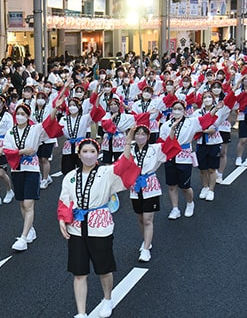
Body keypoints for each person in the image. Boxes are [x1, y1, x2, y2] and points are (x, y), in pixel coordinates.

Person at [57, 138, 139, 318]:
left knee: (104, 268)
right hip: (76, 228)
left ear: (98, 154)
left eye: (92, 151)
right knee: (79, 272)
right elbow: (65, 201)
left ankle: (107, 298)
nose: (88, 155)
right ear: (78, 154)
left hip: (100, 226)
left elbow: (124, 165)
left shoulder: (106, 171)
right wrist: (63, 220)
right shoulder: (70, 176)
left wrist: (127, 143)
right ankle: (81, 312)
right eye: (84, 151)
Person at [3, 99, 63, 252]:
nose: (20, 116)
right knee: (22, 203)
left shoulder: (34, 129)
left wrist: (55, 108)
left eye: (23, 114)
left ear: (28, 116)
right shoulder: (10, 132)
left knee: (29, 204)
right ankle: (29, 229)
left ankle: (23, 237)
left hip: (31, 169)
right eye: (18, 114)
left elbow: (48, 122)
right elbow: (7, 150)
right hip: (17, 170)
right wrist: (22, 152)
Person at [158, 100, 224, 219]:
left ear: (184, 110)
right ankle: (175, 208)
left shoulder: (191, 122)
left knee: (185, 187)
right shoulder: (166, 125)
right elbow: (161, 142)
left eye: (180, 109)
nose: (177, 111)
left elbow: (206, 119)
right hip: (170, 157)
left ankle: (190, 203)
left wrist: (216, 109)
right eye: (175, 109)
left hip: (184, 157)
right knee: (172, 185)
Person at [130, 124, 181, 262]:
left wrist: (172, 131)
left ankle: (146, 250)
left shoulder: (155, 148)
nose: (140, 137)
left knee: (147, 219)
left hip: (150, 185)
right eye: (138, 134)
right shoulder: (130, 149)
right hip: (135, 187)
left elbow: (170, 145)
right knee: (140, 218)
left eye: (143, 134)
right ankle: (146, 240)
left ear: (148, 136)